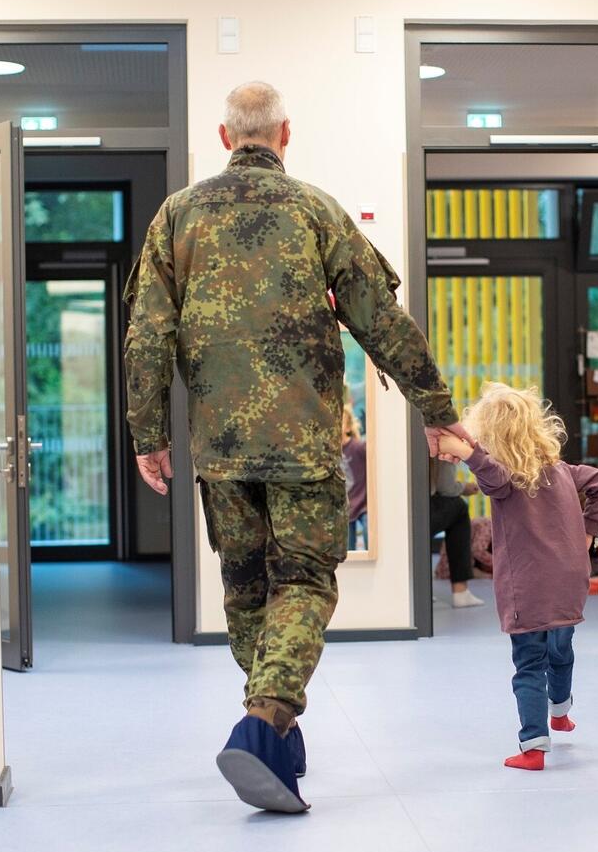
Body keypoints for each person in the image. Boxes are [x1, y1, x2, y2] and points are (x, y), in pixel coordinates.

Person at [124, 81, 467, 813]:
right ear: (285, 134)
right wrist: (435, 409)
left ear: (224, 138)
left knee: (248, 591)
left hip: (220, 450)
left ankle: (277, 737)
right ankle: (265, 721)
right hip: (306, 444)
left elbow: (147, 334)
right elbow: (380, 317)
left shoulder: (176, 216)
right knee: (304, 584)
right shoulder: (315, 211)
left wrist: (148, 435)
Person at [438, 383, 598, 771]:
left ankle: (533, 747)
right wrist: (587, 530)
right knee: (561, 650)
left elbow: (492, 477)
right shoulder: (563, 470)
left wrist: (466, 451)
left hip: (528, 588)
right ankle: (560, 712)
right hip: (570, 580)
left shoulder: (504, 480)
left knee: (529, 662)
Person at [429, 459, 485, 607]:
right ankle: (461, 590)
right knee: (459, 507)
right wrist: (463, 487)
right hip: (423, 507)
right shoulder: (443, 440)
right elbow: (446, 487)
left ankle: (421, 589)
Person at [342, 405, 368, 551]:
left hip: (363, 503)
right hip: (346, 506)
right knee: (347, 547)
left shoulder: (358, 447)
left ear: (348, 428)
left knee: (368, 531)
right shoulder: (330, 452)